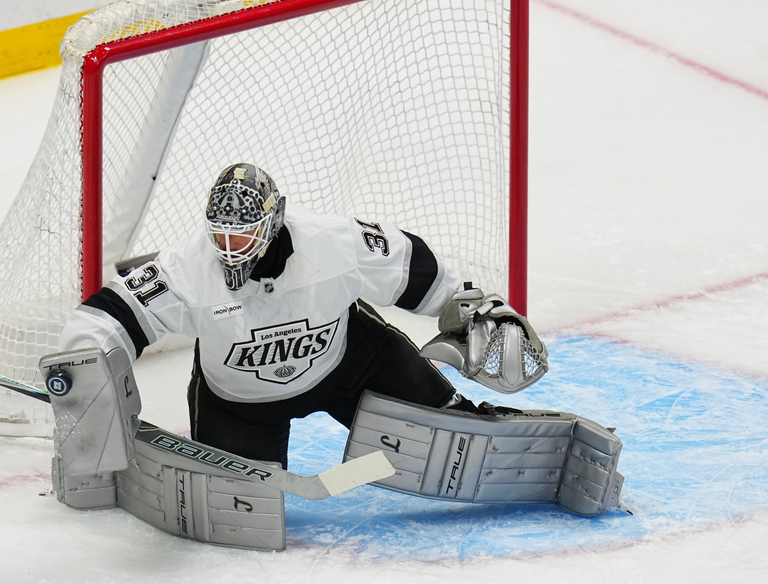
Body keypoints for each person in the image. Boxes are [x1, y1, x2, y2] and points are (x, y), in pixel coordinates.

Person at [56, 162, 537, 469]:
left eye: (242, 236)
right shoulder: (186, 267)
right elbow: (104, 318)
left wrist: (472, 309)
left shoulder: (335, 242)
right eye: (221, 236)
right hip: (240, 401)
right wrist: (87, 368)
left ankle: (480, 432)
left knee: (454, 437)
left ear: (274, 218)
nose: (229, 250)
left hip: (351, 366)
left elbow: (414, 267)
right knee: (239, 507)